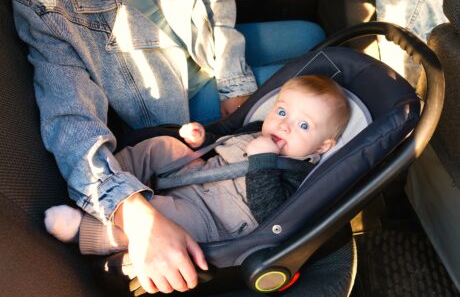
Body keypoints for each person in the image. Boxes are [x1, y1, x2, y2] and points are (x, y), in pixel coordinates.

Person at [12, 0, 325, 294]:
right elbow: (71, 119)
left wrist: (234, 83)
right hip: (180, 104)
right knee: (316, 77)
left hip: (205, 53)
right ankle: (98, 223)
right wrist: (131, 211)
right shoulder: (47, 3)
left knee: (314, 41)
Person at [45, 74, 351, 257]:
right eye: (282, 111)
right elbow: (223, 139)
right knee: (161, 146)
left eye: (303, 125)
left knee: (158, 221)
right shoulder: (260, 127)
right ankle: (105, 180)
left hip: (212, 220)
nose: (284, 125)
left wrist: (263, 162)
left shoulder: (301, 173)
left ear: (323, 147)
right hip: (197, 172)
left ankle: (87, 231)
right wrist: (202, 136)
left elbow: (271, 212)